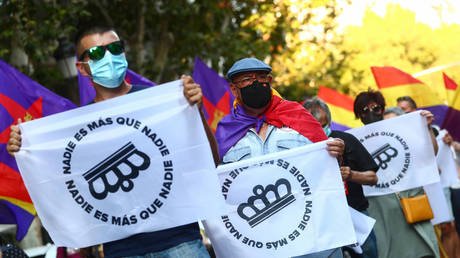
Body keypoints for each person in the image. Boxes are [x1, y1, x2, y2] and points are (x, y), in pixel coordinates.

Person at [7, 26, 217, 258]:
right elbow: (61, 187)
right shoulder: (78, 129)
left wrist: (196, 113)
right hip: (122, 251)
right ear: (82, 68)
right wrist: (25, 149)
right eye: (97, 53)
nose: (109, 57)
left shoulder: (160, 103)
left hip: (180, 243)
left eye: (115, 48)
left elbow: (209, 162)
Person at [215, 57, 345, 258]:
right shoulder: (225, 131)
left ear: (271, 81)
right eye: (247, 79)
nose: (256, 83)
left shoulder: (297, 115)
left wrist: (337, 152)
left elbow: (329, 169)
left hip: (312, 237)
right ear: (234, 89)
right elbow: (220, 188)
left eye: (262, 77)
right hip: (260, 241)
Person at [354, 90, 439, 258]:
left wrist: (427, 127)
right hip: (380, 209)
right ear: (358, 115)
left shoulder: (403, 129)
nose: (370, 113)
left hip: (409, 201)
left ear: (382, 109)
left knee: (423, 249)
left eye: (376, 108)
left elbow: (431, 152)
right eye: (364, 110)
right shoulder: (353, 140)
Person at [303, 98, 378, 258]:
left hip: (356, 215)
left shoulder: (346, 140)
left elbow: (373, 178)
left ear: (329, 121)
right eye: (313, 125)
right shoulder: (298, 148)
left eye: (322, 125)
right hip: (322, 222)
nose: (319, 130)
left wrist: (351, 175)